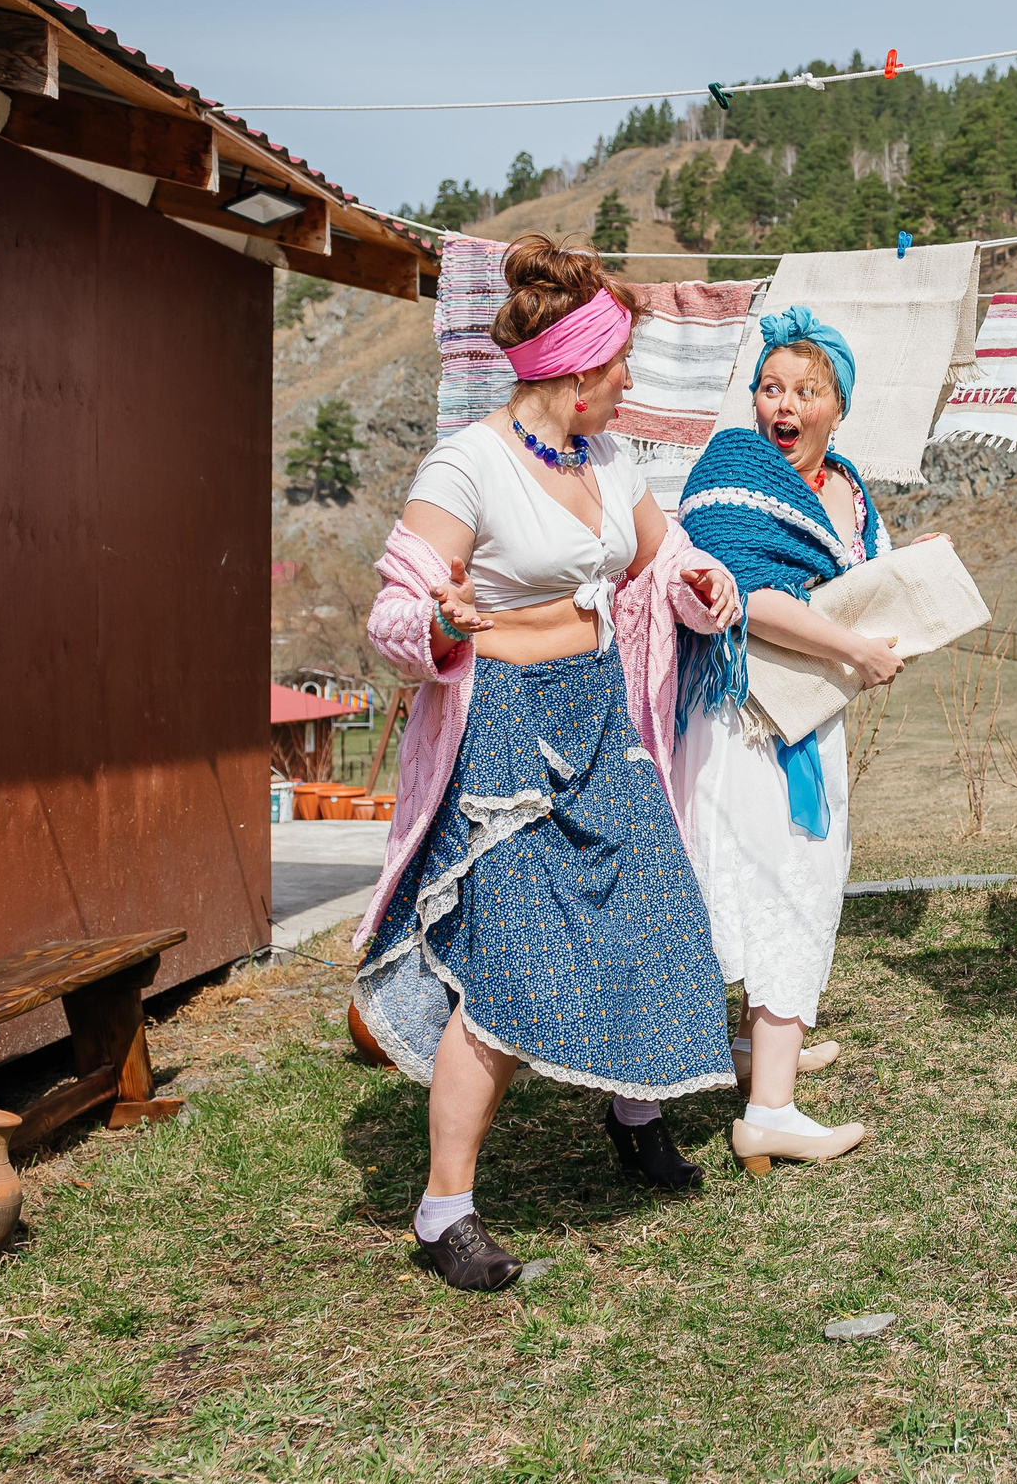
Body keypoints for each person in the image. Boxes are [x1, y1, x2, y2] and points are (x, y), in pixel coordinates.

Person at [351, 234, 744, 1292]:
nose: (629, 385)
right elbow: (392, 611)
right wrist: (434, 623)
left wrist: (703, 587)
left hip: (603, 716)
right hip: (505, 738)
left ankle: (634, 1108)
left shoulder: (612, 464)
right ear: (573, 377)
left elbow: (670, 557)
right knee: (508, 970)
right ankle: (444, 1208)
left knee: (653, 914)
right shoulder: (467, 464)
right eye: (619, 369)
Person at [672, 308, 905, 1176]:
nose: (784, 403)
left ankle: (754, 1048)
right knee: (773, 874)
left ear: (836, 406)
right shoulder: (733, 466)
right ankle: (768, 1110)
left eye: (806, 390)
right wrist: (850, 647)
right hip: (743, 717)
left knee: (806, 865)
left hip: (811, 712)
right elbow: (743, 588)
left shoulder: (846, 484)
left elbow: (866, 584)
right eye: (772, 386)